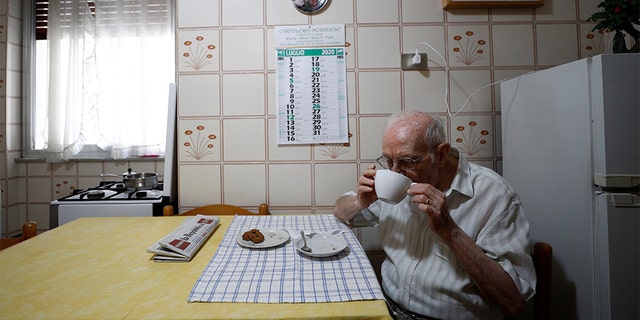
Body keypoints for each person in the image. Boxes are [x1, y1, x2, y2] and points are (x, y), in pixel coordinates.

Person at [333, 110, 536, 319]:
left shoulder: (494, 194)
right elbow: (340, 212)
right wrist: (359, 201)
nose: (395, 171)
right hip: (388, 308)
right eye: (388, 160)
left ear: (440, 154)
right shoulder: (395, 183)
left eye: (407, 161)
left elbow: (514, 303)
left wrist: (450, 231)